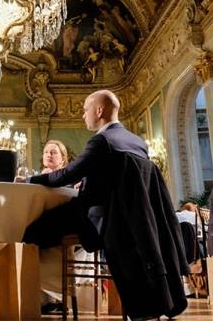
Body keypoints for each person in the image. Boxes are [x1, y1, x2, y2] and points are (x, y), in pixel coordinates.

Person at [23, 90, 188, 320]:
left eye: (85, 109)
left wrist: (29, 180)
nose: (83, 115)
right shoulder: (137, 142)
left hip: (102, 224)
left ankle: (33, 298)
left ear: (99, 111)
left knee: (27, 232)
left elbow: (66, 175)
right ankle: (53, 294)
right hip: (130, 224)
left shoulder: (102, 141)